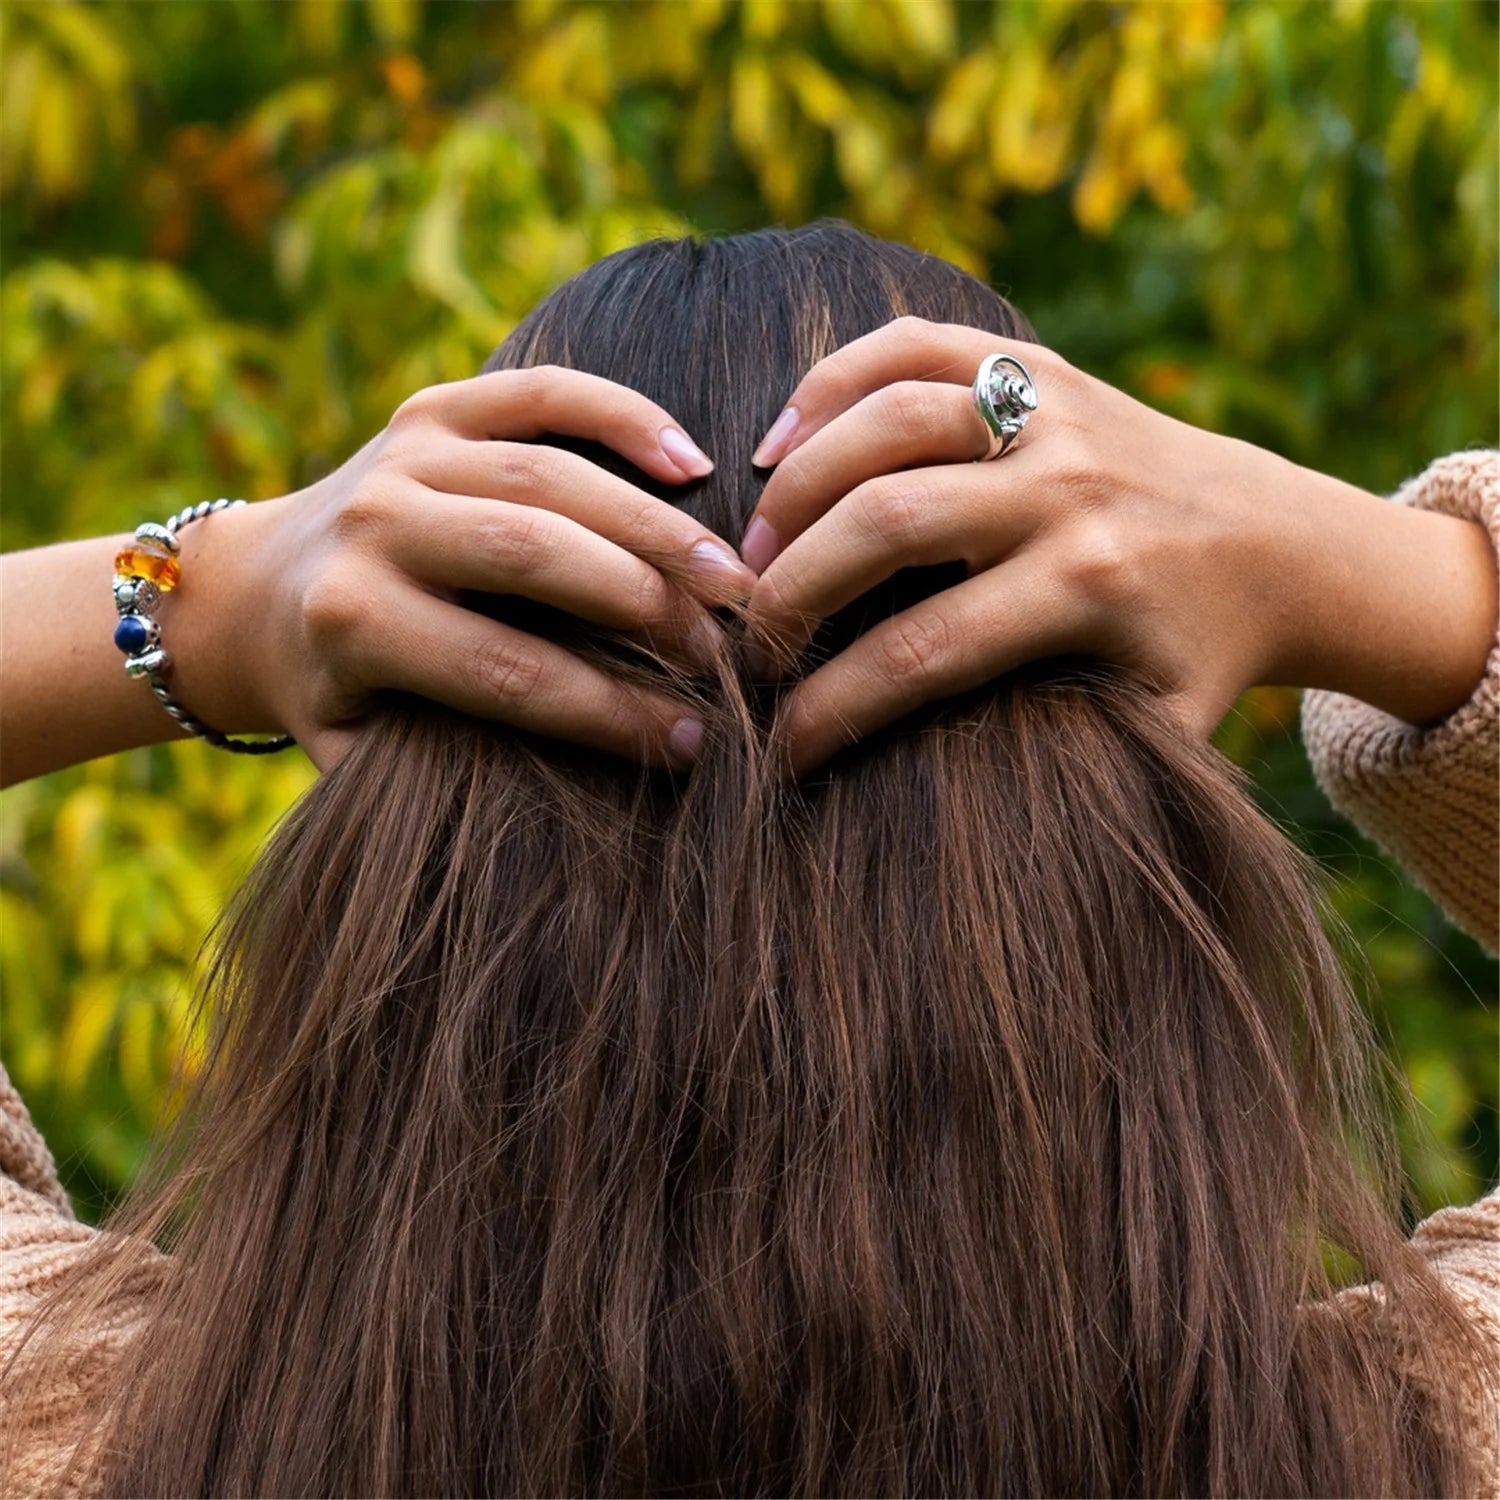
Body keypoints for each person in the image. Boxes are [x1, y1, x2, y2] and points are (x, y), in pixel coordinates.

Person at [0, 223, 1495, 1497]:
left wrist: (202, 598)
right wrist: (1346, 563)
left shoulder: (77, 1438)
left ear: (423, 865)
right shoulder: (1427, 1445)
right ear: (1105, 852)